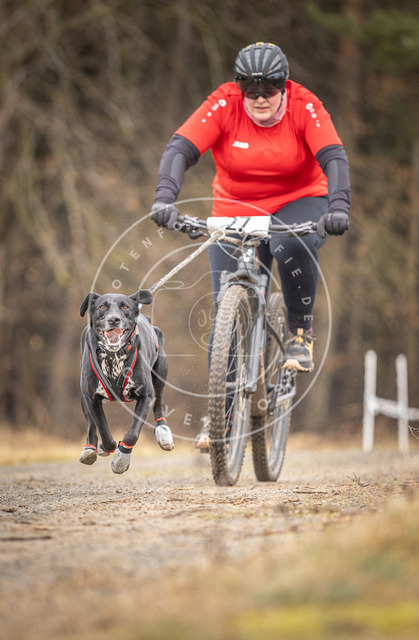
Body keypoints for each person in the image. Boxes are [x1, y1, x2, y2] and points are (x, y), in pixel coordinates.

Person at [150, 42, 350, 444]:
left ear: (284, 85)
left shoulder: (305, 106)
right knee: (225, 305)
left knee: (288, 245)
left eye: (269, 88)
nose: (259, 98)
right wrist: (164, 198)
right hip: (235, 207)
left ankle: (299, 333)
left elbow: (334, 158)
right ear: (239, 87)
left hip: (300, 201)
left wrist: (339, 206)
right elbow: (180, 149)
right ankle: (220, 418)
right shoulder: (223, 104)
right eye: (250, 89)